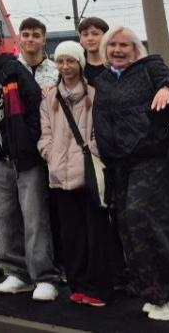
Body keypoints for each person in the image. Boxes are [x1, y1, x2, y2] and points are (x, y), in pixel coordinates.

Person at [93, 26, 169, 321]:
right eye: (112, 44)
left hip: (151, 159)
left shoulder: (151, 68)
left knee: (146, 218)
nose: (117, 50)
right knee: (128, 226)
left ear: (135, 48)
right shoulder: (103, 80)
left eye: (124, 44)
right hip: (119, 163)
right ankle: (152, 294)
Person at [0, 29, 60, 301]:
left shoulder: (12, 71)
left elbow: (35, 107)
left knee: (34, 218)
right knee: (5, 218)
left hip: (25, 158)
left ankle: (44, 277)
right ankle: (17, 273)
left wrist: (29, 143)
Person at [38, 41, 122, 307]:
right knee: (71, 234)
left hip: (88, 175)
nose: (66, 67)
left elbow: (101, 132)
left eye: (71, 61)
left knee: (96, 233)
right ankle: (78, 285)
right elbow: (45, 134)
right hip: (59, 177)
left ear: (80, 64)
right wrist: (49, 154)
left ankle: (100, 288)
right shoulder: (50, 98)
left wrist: (90, 153)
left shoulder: (94, 95)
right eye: (61, 62)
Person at [18, 17, 58, 90]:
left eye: (36, 36)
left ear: (44, 40)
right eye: (26, 35)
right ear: (19, 39)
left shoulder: (57, 71)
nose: (30, 39)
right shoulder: (11, 69)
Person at [77, 17, 110, 84]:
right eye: (85, 35)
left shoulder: (116, 65)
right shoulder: (76, 67)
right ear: (80, 39)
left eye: (95, 34)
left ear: (106, 37)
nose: (90, 38)